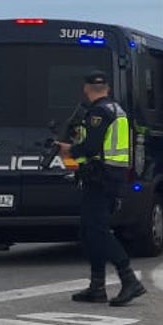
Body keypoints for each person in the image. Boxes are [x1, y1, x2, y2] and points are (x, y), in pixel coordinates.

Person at [56, 70, 145, 307]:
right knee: (89, 232)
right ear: (107, 87)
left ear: (86, 88)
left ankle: (129, 279)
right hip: (111, 176)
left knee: (98, 230)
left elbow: (92, 147)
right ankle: (97, 287)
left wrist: (69, 150)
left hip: (102, 177)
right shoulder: (117, 110)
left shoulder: (98, 112)